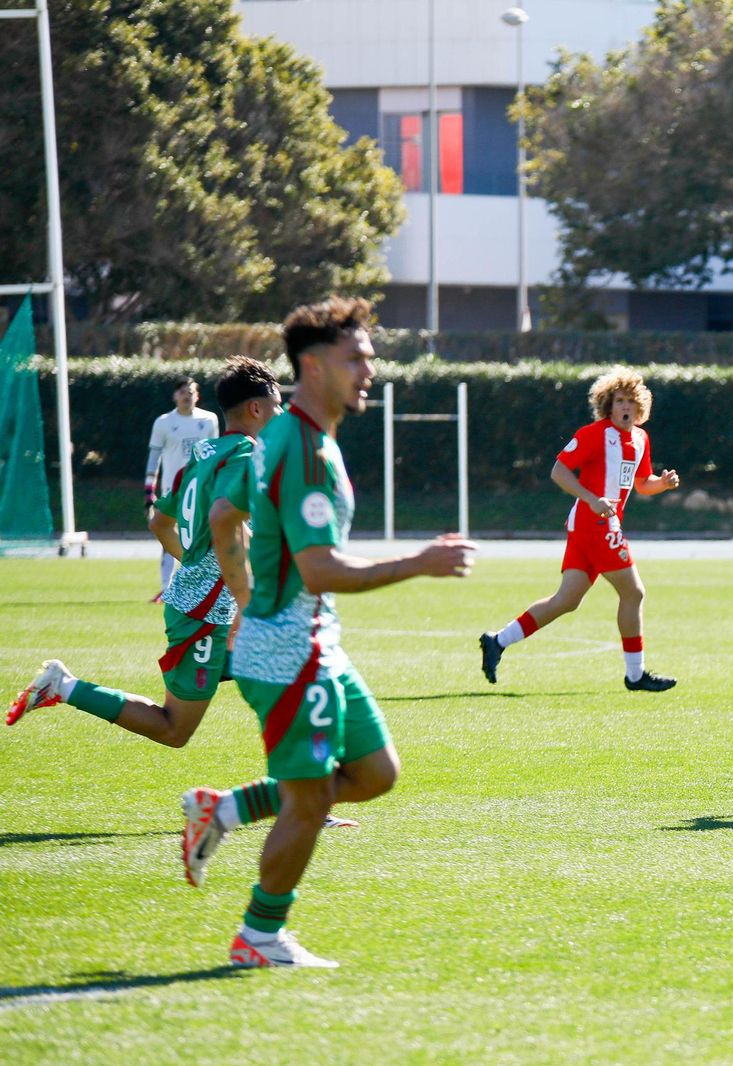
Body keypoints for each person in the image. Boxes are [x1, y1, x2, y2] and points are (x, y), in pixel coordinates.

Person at [6, 358, 356, 875]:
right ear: (257, 410)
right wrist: (241, 600)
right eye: (278, 406)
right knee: (175, 728)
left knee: (299, 679)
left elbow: (158, 520)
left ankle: (305, 799)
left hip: (202, 602)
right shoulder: (245, 455)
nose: (282, 415)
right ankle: (66, 687)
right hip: (209, 613)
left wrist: (190, 561)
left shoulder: (204, 454)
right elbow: (225, 527)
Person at [215, 297, 476, 969]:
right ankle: (260, 935)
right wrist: (418, 563)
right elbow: (322, 567)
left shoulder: (285, 434)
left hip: (309, 640)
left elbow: (229, 514)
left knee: (374, 771)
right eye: (354, 357)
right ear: (311, 364)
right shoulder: (302, 449)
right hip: (287, 653)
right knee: (309, 803)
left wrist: (250, 593)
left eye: (370, 356)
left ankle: (225, 809)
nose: (369, 369)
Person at [479, 368, 681, 692]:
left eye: (631, 400)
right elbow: (559, 471)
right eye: (619, 401)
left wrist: (664, 484)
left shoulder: (641, 439)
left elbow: (642, 485)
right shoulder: (594, 434)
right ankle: (635, 674)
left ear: (640, 405)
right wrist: (591, 499)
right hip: (595, 524)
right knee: (634, 592)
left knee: (566, 600)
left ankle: (497, 641)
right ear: (608, 405)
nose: (625, 407)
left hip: (594, 526)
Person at [146, 376, 219, 601]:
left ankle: (203, 585)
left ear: (197, 395)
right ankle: (165, 588)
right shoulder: (164, 422)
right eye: (182, 391)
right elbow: (154, 455)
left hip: (201, 489)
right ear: (175, 396)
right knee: (168, 534)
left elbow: (214, 454)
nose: (187, 395)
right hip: (172, 491)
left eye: (191, 391)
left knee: (203, 536)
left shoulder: (209, 420)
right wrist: (150, 488)